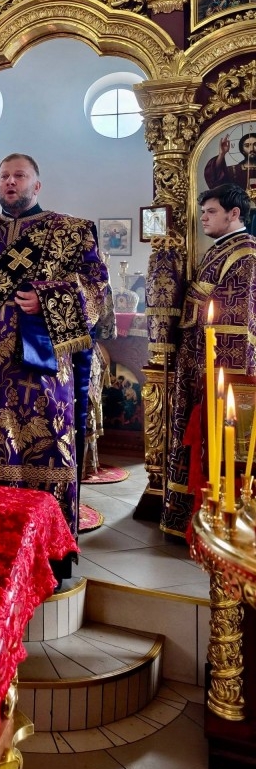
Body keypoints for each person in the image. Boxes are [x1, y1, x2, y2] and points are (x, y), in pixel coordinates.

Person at [0, 154, 109, 537]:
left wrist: (49, 298)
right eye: (5, 176)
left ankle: (45, 540)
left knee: (40, 449)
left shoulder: (69, 230)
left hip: (40, 372)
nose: (11, 181)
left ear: (36, 185)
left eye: (20, 176)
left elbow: (97, 291)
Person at [161, 184, 256, 538]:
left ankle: (216, 524)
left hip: (220, 368)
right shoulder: (221, 249)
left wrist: (192, 298)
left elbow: (237, 318)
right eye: (202, 211)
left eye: (211, 211)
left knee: (216, 441)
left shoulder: (246, 254)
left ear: (234, 214)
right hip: (199, 359)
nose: (203, 218)